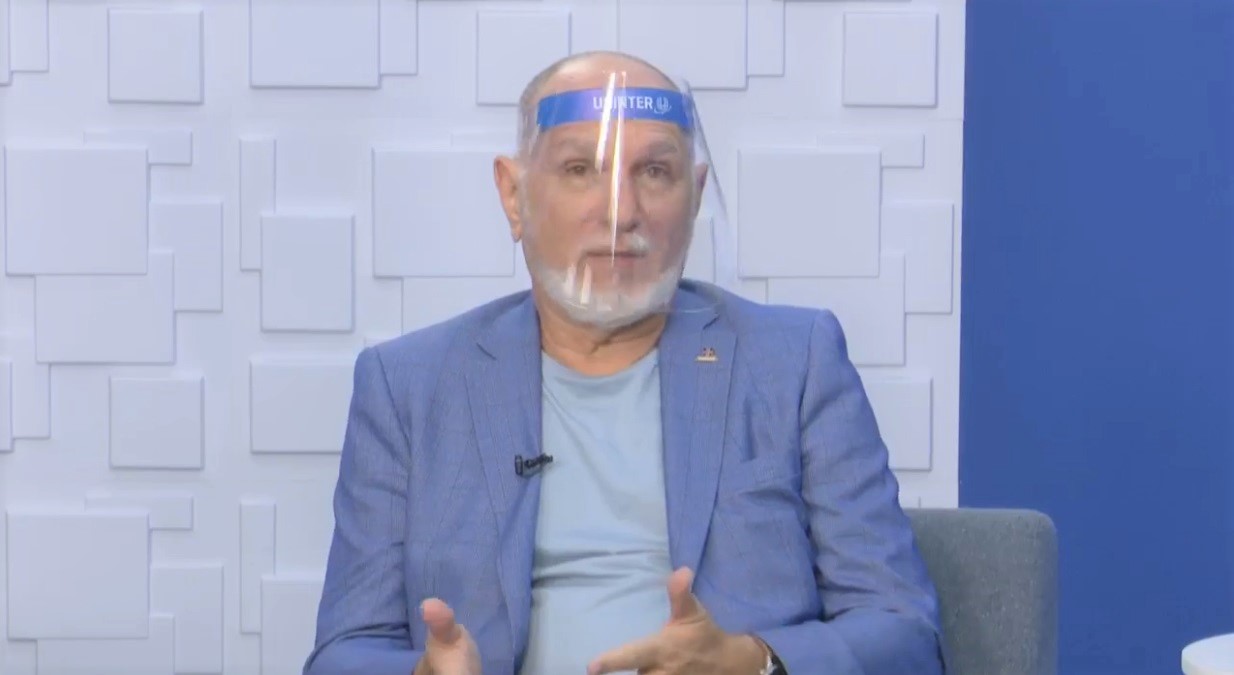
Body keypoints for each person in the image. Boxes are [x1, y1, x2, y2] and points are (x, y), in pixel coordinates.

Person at [304, 50, 945, 675]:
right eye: (581, 169)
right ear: (513, 195)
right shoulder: (407, 387)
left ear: (694, 196)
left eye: (655, 172)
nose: (621, 212)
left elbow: (905, 634)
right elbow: (345, 651)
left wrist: (756, 664)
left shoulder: (796, 362)